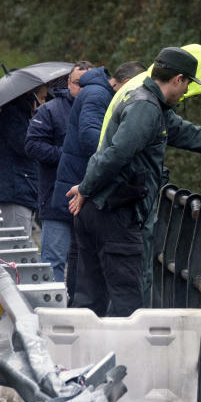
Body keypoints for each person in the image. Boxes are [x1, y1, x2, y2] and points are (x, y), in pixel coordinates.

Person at [66, 46, 201, 317]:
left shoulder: (152, 106)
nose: (187, 91)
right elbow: (116, 154)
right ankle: (126, 359)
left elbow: (189, 134)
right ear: (178, 80)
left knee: (90, 298)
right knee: (128, 303)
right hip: (115, 214)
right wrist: (86, 188)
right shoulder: (146, 109)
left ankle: (80, 356)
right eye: (187, 84)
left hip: (101, 208)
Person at [53, 61, 145, 301]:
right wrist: (118, 156)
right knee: (81, 257)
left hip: (83, 181)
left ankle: (79, 305)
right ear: (125, 83)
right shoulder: (97, 95)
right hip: (83, 182)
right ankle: (78, 305)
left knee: (81, 256)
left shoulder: (97, 93)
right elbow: (89, 135)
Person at [25, 61, 92, 281]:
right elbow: (32, 145)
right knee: (53, 260)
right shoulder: (50, 110)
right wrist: (66, 155)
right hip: (56, 198)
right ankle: (54, 313)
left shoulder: (103, 110)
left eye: (88, 83)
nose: (81, 88)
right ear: (68, 84)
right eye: (77, 83)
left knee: (86, 261)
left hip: (91, 200)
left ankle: (79, 310)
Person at [0, 84, 46, 237]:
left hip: (24, 187)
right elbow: (26, 147)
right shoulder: (13, 116)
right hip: (16, 189)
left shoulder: (23, 115)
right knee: (18, 246)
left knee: (23, 242)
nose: (44, 103)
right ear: (32, 97)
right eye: (42, 98)